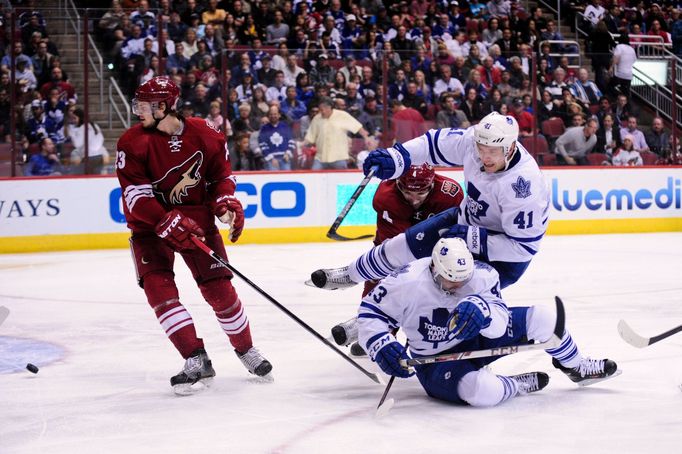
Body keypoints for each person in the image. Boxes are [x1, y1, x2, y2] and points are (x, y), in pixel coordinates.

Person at [115, 76, 272, 395]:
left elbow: (220, 177)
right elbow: (135, 194)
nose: (137, 111)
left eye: (144, 106)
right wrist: (163, 219)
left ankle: (246, 349)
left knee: (220, 291)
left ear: (164, 106)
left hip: (197, 221)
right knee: (159, 291)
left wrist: (226, 203)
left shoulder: (205, 132)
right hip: (149, 228)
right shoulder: (131, 142)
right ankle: (195, 358)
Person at [359, 237, 619, 406]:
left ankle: (577, 367)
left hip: (478, 338)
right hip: (434, 361)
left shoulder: (481, 276)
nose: (458, 285)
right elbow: (370, 313)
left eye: (463, 278)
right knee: (482, 392)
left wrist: (483, 311)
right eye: (451, 279)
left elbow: (499, 321)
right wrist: (380, 344)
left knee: (544, 318)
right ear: (435, 269)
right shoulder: (406, 281)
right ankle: (515, 385)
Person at [309, 112, 550, 292]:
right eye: (481, 148)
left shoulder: (524, 187)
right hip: (464, 222)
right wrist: (397, 156)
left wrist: (472, 239)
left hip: (501, 258)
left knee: (438, 294)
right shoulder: (474, 142)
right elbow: (433, 144)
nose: (484, 156)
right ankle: (352, 274)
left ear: (509, 149)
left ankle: (383, 322)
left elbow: (523, 248)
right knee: (399, 246)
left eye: (492, 152)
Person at [331, 164, 464, 350]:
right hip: (394, 244)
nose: (414, 199)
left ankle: (439, 335)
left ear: (432, 185)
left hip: (438, 249)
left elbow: (458, 229)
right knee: (379, 282)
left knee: (442, 288)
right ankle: (376, 332)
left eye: (421, 193)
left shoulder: (450, 193)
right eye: (408, 193)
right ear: (398, 183)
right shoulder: (386, 196)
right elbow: (399, 246)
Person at [303, 96, 370, 170]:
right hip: (321, 158)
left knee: (341, 179)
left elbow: (356, 126)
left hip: (338, 157)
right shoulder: (317, 119)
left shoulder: (342, 115)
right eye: (320, 110)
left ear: (329, 108)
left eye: (322, 110)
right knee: (314, 176)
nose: (321, 112)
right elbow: (310, 136)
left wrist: (366, 137)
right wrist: (302, 143)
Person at [65, 107, 110, 175]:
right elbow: (101, 138)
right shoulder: (95, 125)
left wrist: (72, 134)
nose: (74, 121)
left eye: (75, 118)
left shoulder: (82, 128)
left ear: (80, 117)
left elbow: (77, 144)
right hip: (99, 156)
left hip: (89, 158)